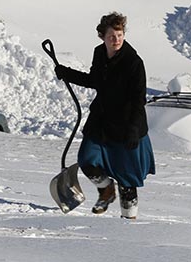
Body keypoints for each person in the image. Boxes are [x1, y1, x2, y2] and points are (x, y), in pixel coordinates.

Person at [54, 12, 155, 219]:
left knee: (127, 179)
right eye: (111, 36)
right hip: (101, 121)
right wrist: (67, 73)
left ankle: (129, 220)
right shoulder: (99, 53)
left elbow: (138, 100)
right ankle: (107, 190)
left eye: (119, 35)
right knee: (86, 160)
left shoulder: (134, 62)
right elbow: (95, 80)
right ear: (102, 36)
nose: (116, 39)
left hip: (127, 126)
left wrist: (134, 129)